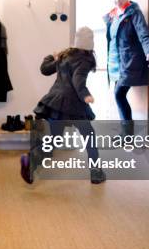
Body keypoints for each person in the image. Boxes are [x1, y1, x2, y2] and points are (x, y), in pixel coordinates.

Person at [20, 26, 106, 185]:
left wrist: (50, 56)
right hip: (74, 104)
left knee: (54, 141)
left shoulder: (65, 55)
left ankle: (30, 161)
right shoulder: (85, 59)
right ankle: (96, 172)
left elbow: (45, 69)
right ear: (90, 45)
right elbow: (78, 80)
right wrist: (85, 95)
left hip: (55, 102)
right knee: (89, 136)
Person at [104, 0, 149, 134]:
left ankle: (127, 133)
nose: (117, 1)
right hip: (115, 63)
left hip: (128, 61)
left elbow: (144, 35)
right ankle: (126, 132)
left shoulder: (134, 13)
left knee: (119, 94)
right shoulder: (113, 16)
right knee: (118, 94)